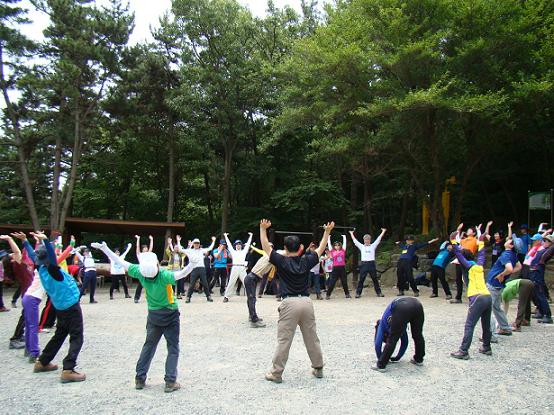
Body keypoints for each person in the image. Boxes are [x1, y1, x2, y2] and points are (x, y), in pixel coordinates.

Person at [92, 241, 194, 393]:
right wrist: (192, 263)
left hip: (153, 315)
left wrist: (105, 248)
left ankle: (140, 378)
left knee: (149, 346)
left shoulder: (140, 273)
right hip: (170, 314)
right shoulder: (164, 275)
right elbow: (182, 274)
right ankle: (170, 381)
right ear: (156, 265)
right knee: (172, 347)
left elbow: (119, 261)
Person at [262, 219, 333, 383]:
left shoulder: (281, 260)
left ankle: (276, 373)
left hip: (289, 303)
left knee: (284, 339)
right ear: (301, 248)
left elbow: (266, 246)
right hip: (307, 302)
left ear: (285, 249)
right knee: (311, 337)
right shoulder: (306, 260)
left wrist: (263, 229)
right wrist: (327, 232)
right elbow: (321, 248)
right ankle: (318, 367)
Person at [28, 231, 85, 383]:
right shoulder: (53, 271)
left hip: (60, 307)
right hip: (70, 307)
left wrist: (27, 242)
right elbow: (51, 259)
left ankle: (43, 361)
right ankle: (68, 369)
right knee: (77, 336)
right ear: (50, 259)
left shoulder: (41, 269)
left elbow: (34, 254)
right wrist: (46, 241)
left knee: (60, 334)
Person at [449, 237, 493, 359]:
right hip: (487, 296)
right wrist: (481, 242)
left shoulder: (468, 266)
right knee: (486, 324)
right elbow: (482, 255)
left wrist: (453, 241)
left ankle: (463, 351)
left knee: (469, 325)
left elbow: (458, 253)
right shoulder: (479, 266)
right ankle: (486, 347)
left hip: (477, 297)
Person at [372, 297, 425, 372]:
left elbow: (377, 344)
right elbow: (405, 342)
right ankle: (419, 359)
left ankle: (381, 365)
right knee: (418, 335)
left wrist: (380, 358)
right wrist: (397, 357)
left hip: (402, 307)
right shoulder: (392, 320)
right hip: (417, 304)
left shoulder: (382, 324)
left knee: (392, 339)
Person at [1, 234, 33, 350]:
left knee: (27, 317)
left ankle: (20, 336)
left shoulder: (22, 264)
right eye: (13, 254)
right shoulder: (18, 265)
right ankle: (15, 339)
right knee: (25, 317)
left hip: (30, 293)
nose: (16, 253)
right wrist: (9, 239)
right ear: (13, 259)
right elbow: (17, 251)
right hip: (28, 294)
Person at [486, 236, 522, 340]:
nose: (508, 239)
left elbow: (510, 268)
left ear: (511, 245)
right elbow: (519, 266)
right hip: (498, 285)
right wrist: (505, 275)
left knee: (488, 308)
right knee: (497, 307)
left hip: (493, 284)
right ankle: (505, 328)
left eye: (510, 240)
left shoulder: (506, 254)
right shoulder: (513, 255)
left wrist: (502, 274)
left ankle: (489, 335)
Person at [244, 244, 276, 328]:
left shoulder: (268, 255)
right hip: (251, 278)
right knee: (252, 299)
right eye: (269, 246)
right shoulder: (268, 255)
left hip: (252, 278)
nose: (270, 248)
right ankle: (254, 321)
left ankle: (252, 317)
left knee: (251, 299)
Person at [350, 228, 386, 298]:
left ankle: (379, 293)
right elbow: (355, 241)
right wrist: (351, 233)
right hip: (364, 264)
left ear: (370, 240)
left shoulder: (373, 245)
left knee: (375, 279)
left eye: (368, 239)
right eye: (365, 239)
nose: (367, 241)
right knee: (361, 279)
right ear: (364, 240)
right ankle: (358, 293)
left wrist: (383, 231)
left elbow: (379, 238)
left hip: (371, 264)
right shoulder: (362, 246)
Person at [450, 223, 482, 303]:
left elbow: (480, 240)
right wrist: (458, 230)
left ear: (473, 233)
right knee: (458, 279)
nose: (468, 231)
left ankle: (472, 296)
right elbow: (456, 240)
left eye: (470, 230)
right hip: (461, 258)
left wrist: (478, 230)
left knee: (468, 279)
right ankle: (458, 297)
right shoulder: (463, 240)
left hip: (468, 258)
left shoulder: (474, 240)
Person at [182, 237, 216, 303]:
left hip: (201, 268)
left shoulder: (201, 250)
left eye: (197, 243)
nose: (196, 244)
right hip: (194, 268)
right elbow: (182, 250)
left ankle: (208, 296)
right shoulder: (190, 250)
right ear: (193, 244)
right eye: (195, 243)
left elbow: (210, 248)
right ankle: (188, 297)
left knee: (205, 283)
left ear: (199, 244)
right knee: (192, 284)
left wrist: (213, 241)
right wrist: (178, 241)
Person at [529, 234, 554, 324]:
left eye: (546, 241)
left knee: (540, 294)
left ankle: (547, 315)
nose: (544, 242)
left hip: (537, 274)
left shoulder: (548, 251)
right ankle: (541, 311)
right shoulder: (543, 249)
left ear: (550, 243)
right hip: (534, 273)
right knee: (536, 294)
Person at [223, 233, 253, 302]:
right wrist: (226, 236)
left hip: (242, 268)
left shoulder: (244, 251)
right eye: (237, 244)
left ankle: (251, 296)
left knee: (246, 282)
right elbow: (229, 244)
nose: (238, 245)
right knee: (231, 282)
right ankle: (226, 296)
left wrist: (250, 236)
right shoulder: (233, 252)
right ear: (235, 246)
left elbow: (248, 244)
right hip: (235, 267)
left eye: (239, 244)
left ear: (241, 246)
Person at [326, 234, 350, 299]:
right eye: (336, 245)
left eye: (338, 245)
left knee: (344, 281)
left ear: (340, 246)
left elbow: (344, 244)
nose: (337, 246)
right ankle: (328, 295)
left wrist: (344, 237)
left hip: (342, 268)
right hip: (335, 268)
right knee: (332, 282)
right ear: (334, 246)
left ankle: (347, 294)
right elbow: (329, 245)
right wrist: (328, 237)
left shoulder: (343, 250)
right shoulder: (332, 251)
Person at [133, 235, 153, 303]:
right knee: (140, 285)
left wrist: (151, 239)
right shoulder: (140, 255)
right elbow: (137, 247)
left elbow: (151, 247)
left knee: (150, 285)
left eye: (146, 247)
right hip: (142, 271)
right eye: (144, 248)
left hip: (148, 271)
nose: (146, 248)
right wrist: (138, 239)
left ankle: (151, 298)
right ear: (142, 249)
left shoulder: (148, 254)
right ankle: (136, 298)